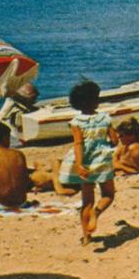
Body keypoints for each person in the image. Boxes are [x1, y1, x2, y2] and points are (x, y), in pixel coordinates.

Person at [57, 81, 118, 245]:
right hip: (102, 161)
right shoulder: (105, 118)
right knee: (108, 194)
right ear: (93, 100)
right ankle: (96, 214)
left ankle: (86, 237)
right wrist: (108, 143)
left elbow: (78, 144)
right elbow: (114, 140)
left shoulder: (76, 122)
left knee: (87, 201)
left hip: (85, 163)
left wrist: (79, 165)